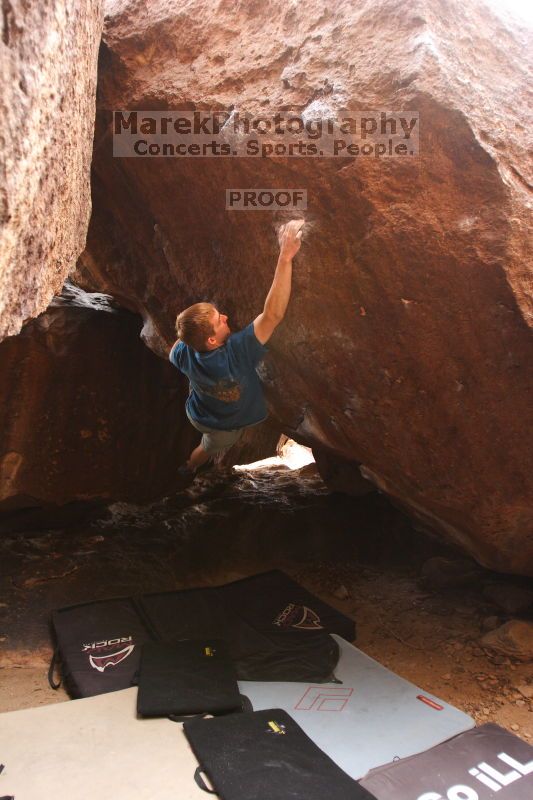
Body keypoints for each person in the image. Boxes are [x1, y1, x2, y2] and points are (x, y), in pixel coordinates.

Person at [169, 218, 305, 480]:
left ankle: (190, 466)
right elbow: (273, 314)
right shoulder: (236, 354)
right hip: (222, 428)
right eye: (219, 321)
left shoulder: (184, 352)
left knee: (204, 435)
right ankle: (190, 467)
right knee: (207, 448)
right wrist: (285, 257)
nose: (226, 318)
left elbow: (177, 344)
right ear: (211, 341)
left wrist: (188, 329)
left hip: (196, 412)